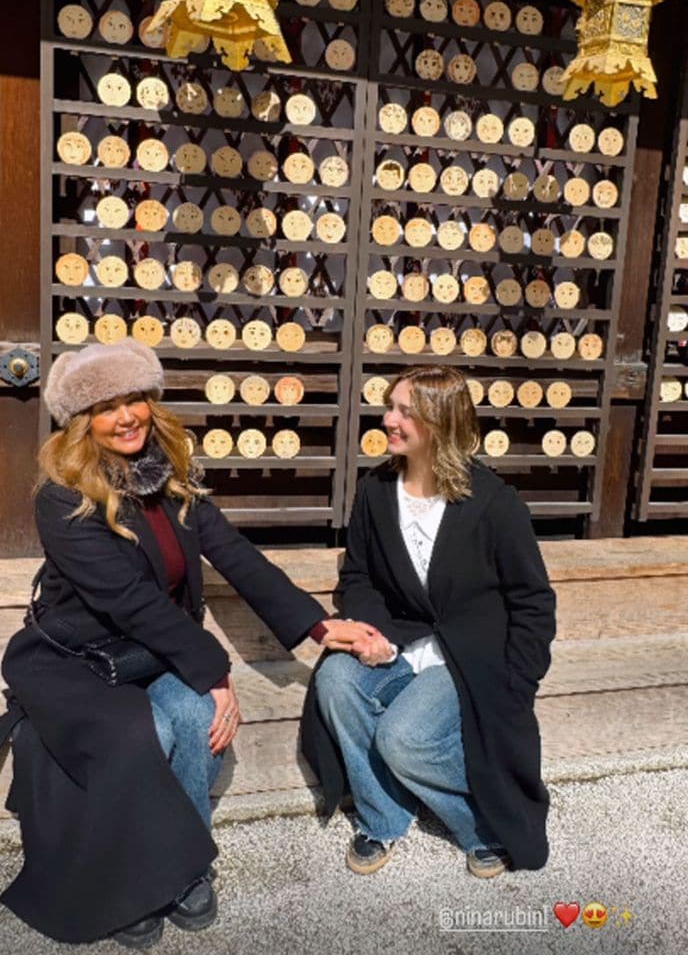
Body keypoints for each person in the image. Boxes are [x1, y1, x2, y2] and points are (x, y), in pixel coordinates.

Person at [0, 339, 374, 948]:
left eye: (134, 400)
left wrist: (317, 625)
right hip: (82, 659)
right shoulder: (63, 496)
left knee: (196, 718)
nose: (125, 417)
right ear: (81, 422)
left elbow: (232, 553)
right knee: (149, 731)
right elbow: (130, 602)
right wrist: (216, 671)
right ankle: (131, 873)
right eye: (104, 406)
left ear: (151, 402)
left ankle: (184, 864)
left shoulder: (166, 474)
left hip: (156, 649)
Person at [301, 366, 556, 878]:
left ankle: (481, 822)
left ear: (440, 422)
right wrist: (371, 635)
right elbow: (358, 576)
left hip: (469, 654)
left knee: (405, 738)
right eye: (390, 406)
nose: (388, 419)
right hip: (401, 639)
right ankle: (383, 815)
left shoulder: (493, 504)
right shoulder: (376, 490)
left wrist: (519, 679)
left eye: (404, 412)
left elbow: (532, 599)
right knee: (333, 679)